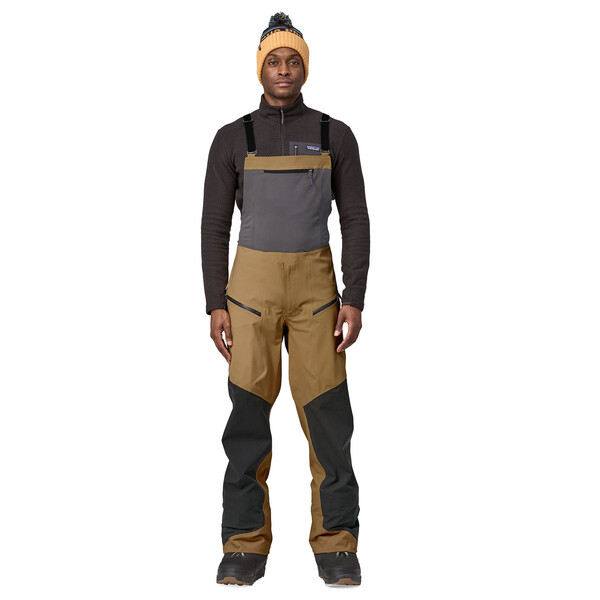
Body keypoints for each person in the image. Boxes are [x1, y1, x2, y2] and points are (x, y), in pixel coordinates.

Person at [201, 12, 370, 587]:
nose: (283, 70)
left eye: (292, 60)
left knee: (328, 422)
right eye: (273, 61)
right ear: (260, 69)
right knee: (247, 422)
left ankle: (337, 545)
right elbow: (214, 226)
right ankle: (243, 545)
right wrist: (215, 302)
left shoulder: (334, 134)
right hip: (248, 299)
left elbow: (355, 219)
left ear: (305, 68)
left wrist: (354, 296)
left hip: (317, 298)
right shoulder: (232, 138)